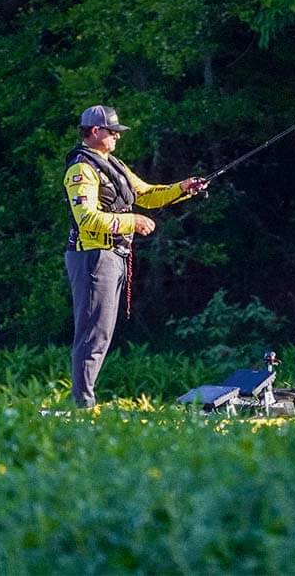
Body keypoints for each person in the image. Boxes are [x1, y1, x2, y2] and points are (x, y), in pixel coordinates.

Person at [63, 104, 207, 408]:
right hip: (92, 257)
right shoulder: (81, 169)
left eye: (117, 131)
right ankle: (82, 406)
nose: (117, 136)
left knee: (102, 333)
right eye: (112, 131)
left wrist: (184, 188)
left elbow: (147, 194)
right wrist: (133, 222)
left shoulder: (113, 164)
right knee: (93, 334)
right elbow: (86, 218)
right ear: (94, 131)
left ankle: (84, 402)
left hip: (114, 256)